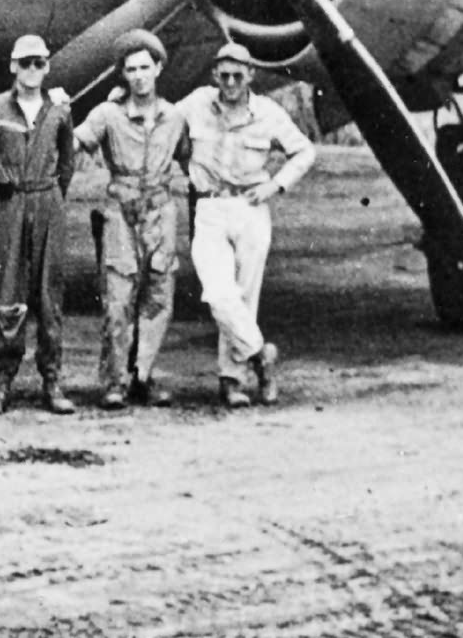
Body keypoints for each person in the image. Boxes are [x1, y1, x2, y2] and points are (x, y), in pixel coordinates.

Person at [177, 42, 317, 409]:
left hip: (250, 209)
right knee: (219, 295)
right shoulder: (195, 104)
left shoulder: (268, 112)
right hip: (208, 207)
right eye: (224, 75)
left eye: (238, 75)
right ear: (214, 76)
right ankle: (261, 356)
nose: (231, 82)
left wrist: (275, 184)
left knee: (244, 295)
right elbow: (162, 122)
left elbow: (304, 151)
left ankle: (231, 380)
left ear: (251, 76)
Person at [73, 30, 189, 410]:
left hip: (160, 211)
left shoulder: (175, 118)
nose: (139, 75)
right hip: (121, 210)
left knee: (158, 295)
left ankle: (143, 376)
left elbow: (191, 159)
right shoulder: (108, 114)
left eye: (145, 67)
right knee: (118, 298)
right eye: (131, 69)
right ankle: (115, 381)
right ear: (123, 74)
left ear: (158, 68)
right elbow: (75, 142)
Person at [0, 34, 76, 415]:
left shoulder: (60, 111)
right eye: (25, 63)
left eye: (39, 63)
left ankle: (52, 382)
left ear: (47, 67)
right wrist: (6, 195)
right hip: (11, 203)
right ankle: (1, 385)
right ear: (13, 66)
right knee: (8, 297)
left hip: (48, 202)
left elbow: (67, 162)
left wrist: (50, 196)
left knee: (50, 298)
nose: (32, 70)